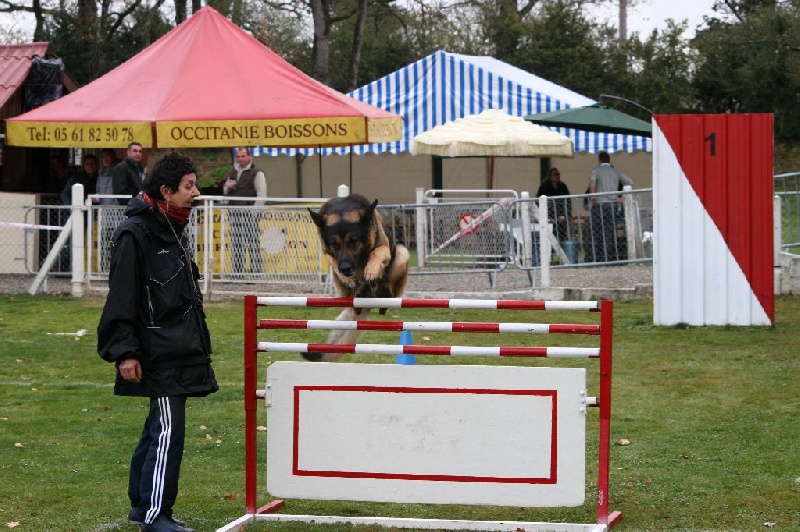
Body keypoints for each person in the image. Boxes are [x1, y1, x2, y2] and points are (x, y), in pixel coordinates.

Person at [97, 152, 218, 532]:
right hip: (157, 352)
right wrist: (125, 352)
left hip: (177, 348)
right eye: (188, 187)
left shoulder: (172, 226)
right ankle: (155, 516)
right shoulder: (135, 234)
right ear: (165, 191)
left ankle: (141, 507)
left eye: (195, 185)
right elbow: (122, 298)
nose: (196, 193)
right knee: (169, 432)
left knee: (157, 427)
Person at [223, 147, 266, 275]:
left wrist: (253, 213)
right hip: (235, 212)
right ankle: (238, 272)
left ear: (249, 157)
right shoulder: (233, 171)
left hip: (250, 212)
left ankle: (256, 271)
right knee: (236, 242)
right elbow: (225, 191)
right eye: (238, 156)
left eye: (242, 156)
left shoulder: (257, 172)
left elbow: (262, 194)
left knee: (252, 242)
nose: (240, 159)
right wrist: (227, 187)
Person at [587, 151, 633, 263]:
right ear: (609, 160)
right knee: (609, 232)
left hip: (599, 204)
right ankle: (607, 258)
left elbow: (592, 184)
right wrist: (622, 197)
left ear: (599, 160)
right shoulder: (616, 172)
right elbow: (630, 182)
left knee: (596, 232)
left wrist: (592, 196)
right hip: (612, 205)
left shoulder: (595, 170)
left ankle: (596, 258)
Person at [535, 167, 572, 242]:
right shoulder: (544, 186)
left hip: (560, 211)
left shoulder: (562, 186)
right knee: (550, 231)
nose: (557, 176)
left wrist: (567, 214)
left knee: (561, 231)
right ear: (550, 176)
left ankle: (561, 246)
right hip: (549, 212)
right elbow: (538, 199)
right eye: (555, 174)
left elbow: (568, 200)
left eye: (558, 174)